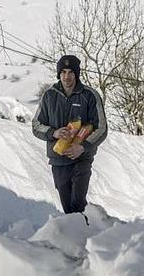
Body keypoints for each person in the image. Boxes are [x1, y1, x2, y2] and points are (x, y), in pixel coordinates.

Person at [32, 55, 108, 219]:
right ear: (59, 74)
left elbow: (101, 128)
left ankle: (87, 239)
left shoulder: (89, 95)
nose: (67, 76)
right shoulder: (49, 96)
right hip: (58, 160)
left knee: (78, 203)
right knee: (68, 209)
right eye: (63, 72)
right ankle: (75, 239)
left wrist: (82, 147)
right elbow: (36, 125)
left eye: (71, 72)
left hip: (81, 159)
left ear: (77, 74)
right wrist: (54, 132)